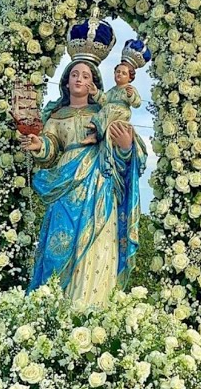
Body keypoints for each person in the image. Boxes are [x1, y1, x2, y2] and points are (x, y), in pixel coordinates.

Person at [23, 17, 146, 306]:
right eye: (75, 74)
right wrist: (40, 144)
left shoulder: (105, 110)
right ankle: (54, 312)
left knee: (96, 248)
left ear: (94, 83)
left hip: (98, 186)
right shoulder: (55, 117)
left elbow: (124, 154)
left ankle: (91, 310)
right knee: (58, 248)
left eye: (86, 76)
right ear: (66, 80)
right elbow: (51, 149)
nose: (79, 79)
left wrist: (125, 145)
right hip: (63, 190)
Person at [92, 39, 149, 140]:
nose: (119, 74)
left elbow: (137, 103)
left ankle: (96, 127)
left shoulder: (129, 88)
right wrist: (95, 92)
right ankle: (95, 132)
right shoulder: (113, 90)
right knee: (105, 108)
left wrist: (131, 96)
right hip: (110, 110)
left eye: (124, 73)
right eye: (118, 71)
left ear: (130, 78)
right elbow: (104, 100)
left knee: (109, 108)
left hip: (123, 112)